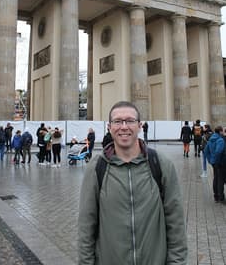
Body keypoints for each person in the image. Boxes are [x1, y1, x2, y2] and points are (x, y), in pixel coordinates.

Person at [78, 101, 187, 265]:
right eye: (117, 121)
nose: (123, 127)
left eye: (129, 121)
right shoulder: (96, 168)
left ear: (140, 125)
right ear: (109, 127)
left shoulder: (161, 165)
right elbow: (86, 226)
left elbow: (176, 223)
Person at [205, 125, 225, 202]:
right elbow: (218, 151)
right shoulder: (220, 140)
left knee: (215, 178)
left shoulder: (211, 139)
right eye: (222, 131)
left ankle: (215, 195)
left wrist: (210, 160)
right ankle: (220, 196)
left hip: (213, 162)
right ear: (220, 131)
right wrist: (217, 161)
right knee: (220, 179)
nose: (223, 132)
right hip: (219, 162)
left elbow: (206, 151)